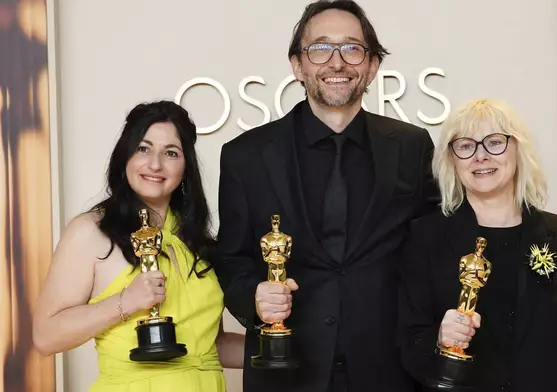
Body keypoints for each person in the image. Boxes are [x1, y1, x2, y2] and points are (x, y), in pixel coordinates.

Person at [215, 0, 439, 390]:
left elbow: (432, 251)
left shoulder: (412, 147)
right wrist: (252, 296)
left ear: (372, 66)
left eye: (352, 48)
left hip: (390, 370)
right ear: (298, 65)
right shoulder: (245, 155)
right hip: (286, 372)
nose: (337, 62)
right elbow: (231, 257)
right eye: (320, 48)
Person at [397, 98, 557, 391]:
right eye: (465, 146)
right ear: (451, 160)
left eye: (495, 142)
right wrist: (438, 339)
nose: (481, 156)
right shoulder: (424, 237)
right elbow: (408, 342)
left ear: (518, 149)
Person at [32, 100, 244, 391]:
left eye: (171, 153)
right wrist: (125, 302)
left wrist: (286, 346)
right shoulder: (91, 232)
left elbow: (212, 345)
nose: (155, 163)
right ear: (125, 157)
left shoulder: (196, 242)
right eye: (143, 148)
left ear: (186, 167)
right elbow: (45, 336)